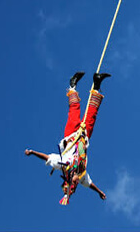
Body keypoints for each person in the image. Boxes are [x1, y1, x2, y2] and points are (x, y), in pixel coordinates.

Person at [25, 71, 111, 204]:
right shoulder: (82, 175)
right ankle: (97, 83)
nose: (77, 184)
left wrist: (32, 152)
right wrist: (100, 192)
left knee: (74, 110)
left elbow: (47, 157)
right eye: (75, 187)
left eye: (73, 186)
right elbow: (90, 184)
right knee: (92, 114)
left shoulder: (62, 164)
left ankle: (72, 85)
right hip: (83, 137)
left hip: (71, 135)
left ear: (70, 180)